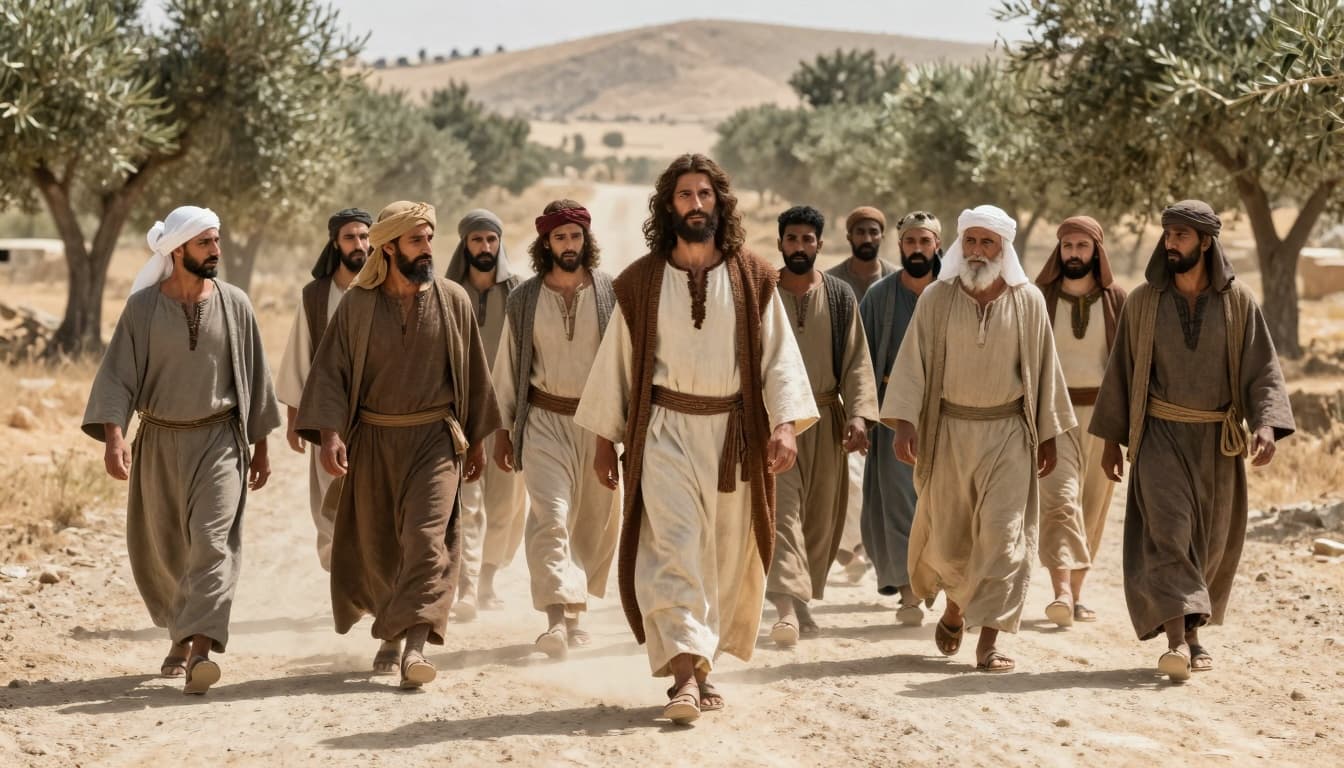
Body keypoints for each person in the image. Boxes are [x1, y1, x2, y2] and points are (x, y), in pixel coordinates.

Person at [574, 154, 817, 724]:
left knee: (722, 556)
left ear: (719, 203)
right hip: (664, 433)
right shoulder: (641, 281)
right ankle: (684, 675)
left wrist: (783, 424)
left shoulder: (754, 275)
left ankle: (703, 663)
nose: (696, 205)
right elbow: (617, 362)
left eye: (704, 194)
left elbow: (778, 357)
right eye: (685, 195)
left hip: (733, 439)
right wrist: (602, 440)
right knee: (674, 549)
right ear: (668, 205)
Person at [297, 201, 500, 689]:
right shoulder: (358, 306)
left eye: (430, 238)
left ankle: (413, 647)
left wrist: (476, 443)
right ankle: (390, 632)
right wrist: (329, 436)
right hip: (374, 440)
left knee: (428, 539)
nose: (428, 248)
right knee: (383, 545)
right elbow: (330, 375)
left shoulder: (453, 299)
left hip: (434, 440)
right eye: (417, 240)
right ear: (388, 248)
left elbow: (474, 374)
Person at [1090, 200, 1294, 681]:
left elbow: (1262, 370)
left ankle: (1193, 634)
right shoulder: (1143, 301)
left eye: (1181, 234)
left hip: (1217, 442)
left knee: (1206, 544)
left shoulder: (1238, 302)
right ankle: (1178, 643)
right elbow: (1121, 371)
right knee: (1168, 532)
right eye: (1167, 234)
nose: (1171, 243)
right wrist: (1109, 440)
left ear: (1206, 241)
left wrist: (1265, 425)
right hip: (1158, 435)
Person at [83, 205, 280, 694]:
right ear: (177, 250)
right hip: (159, 441)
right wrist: (113, 438)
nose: (216, 251)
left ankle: (199, 649)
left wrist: (261, 447)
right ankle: (180, 630)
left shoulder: (235, 304)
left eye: (217, 240)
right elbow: (118, 377)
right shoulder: (144, 309)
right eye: (206, 243)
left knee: (212, 544)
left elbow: (255, 377)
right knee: (170, 549)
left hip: (219, 441)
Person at [882, 205, 1074, 673]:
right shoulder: (936, 300)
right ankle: (955, 608)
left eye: (987, 243)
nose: (976, 251)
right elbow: (913, 365)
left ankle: (990, 641)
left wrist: (1047, 435)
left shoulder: (1027, 301)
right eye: (970, 241)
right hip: (949, 433)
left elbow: (1046, 370)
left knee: (1004, 539)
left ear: (1004, 249)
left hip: (1009, 434)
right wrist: (905, 424)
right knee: (950, 543)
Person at [490, 200, 620, 659]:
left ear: (587, 240)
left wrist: (618, 432)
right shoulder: (523, 298)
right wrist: (505, 430)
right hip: (543, 422)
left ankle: (575, 614)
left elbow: (624, 365)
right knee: (552, 517)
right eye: (560, 237)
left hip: (597, 422)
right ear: (546, 243)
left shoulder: (610, 292)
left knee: (590, 521)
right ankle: (554, 620)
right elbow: (508, 367)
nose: (569, 245)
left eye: (576, 236)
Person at [768, 205, 878, 647]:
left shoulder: (838, 296)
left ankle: (801, 597)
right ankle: (784, 608)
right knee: (783, 513)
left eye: (807, 240)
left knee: (820, 519)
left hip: (826, 417)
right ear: (780, 243)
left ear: (819, 244)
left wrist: (857, 414)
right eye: (791, 239)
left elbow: (856, 362)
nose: (799, 247)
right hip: (777, 418)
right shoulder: (763, 293)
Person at [1033, 216, 1126, 626]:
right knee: (1059, 502)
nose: (1074, 253)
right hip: (1054, 417)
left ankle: (1078, 594)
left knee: (1092, 508)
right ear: (1059, 250)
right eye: (1067, 246)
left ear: (1096, 251)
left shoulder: (1116, 300)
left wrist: (1119, 433)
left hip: (1102, 420)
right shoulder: (1039, 297)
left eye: (1081, 247)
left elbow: (1127, 367)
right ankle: (1061, 593)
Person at [275, 208, 371, 572]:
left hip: (377, 411)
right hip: (328, 412)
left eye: (364, 236)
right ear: (335, 243)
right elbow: (301, 354)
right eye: (350, 237)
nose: (359, 244)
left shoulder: (384, 289)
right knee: (329, 500)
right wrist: (294, 417)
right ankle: (341, 576)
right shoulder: (316, 295)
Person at [857, 211, 942, 625]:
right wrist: (863, 416)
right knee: (897, 504)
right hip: (893, 414)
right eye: (911, 242)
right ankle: (909, 593)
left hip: (947, 416)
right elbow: (862, 360)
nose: (918, 249)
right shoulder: (878, 296)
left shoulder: (953, 292)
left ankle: (941, 581)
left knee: (943, 504)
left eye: (925, 242)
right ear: (900, 245)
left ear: (938, 245)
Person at [443, 209, 526, 619]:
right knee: (467, 501)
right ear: (465, 245)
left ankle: (489, 578)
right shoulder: (445, 292)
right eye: (477, 240)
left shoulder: (519, 293)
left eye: (491, 240)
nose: (485, 248)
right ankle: (468, 587)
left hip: (509, 415)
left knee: (506, 504)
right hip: (463, 416)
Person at [826, 206, 899, 582]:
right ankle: (849, 549)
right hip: (845, 392)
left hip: (891, 393)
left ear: (881, 236)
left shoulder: (895, 280)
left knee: (887, 477)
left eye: (873, 232)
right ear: (849, 236)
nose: (867, 239)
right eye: (860, 232)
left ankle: (862, 549)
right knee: (850, 475)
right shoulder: (832, 283)